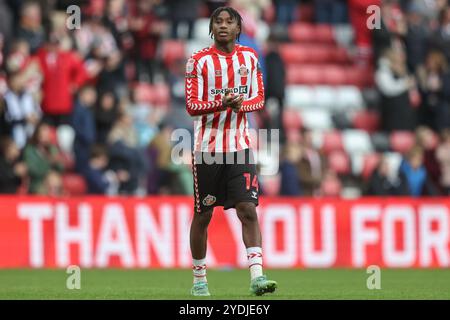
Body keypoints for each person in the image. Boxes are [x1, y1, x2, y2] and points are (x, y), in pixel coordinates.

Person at [185, 7, 277, 296]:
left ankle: (257, 277)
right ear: (212, 28)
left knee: (248, 210)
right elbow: (191, 106)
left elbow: (259, 97)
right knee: (204, 215)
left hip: (239, 147)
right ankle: (199, 279)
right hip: (208, 150)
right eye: (218, 22)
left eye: (229, 22)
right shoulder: (198, 61)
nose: (223, 26)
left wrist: (241, 106)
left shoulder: (249, 57)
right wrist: (223, 104)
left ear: (239, 28)